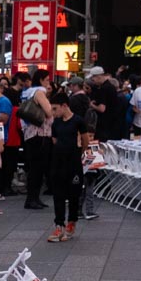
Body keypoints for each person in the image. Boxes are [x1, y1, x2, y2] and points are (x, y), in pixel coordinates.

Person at [45, 93, 86, 242]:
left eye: (55, 109)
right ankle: (59, 225)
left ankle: (71, 221)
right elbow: (55, 139)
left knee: (74, 194)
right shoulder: (56, 123)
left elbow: (85, 140)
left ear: (64, 106)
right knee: (58, 194)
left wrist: (77, 153)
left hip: (74, 162)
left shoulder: (78, 121)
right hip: (58, 161)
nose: (53, 112)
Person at [18, 79, 51, 210]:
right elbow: (48, 112)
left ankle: (35, 198)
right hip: (38, 135)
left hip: (33, 135)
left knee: (37, 168)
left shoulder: (28, 93)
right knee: (36, 169)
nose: (49, 85)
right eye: (47, 80)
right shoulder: (39, 92)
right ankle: (32, 199)